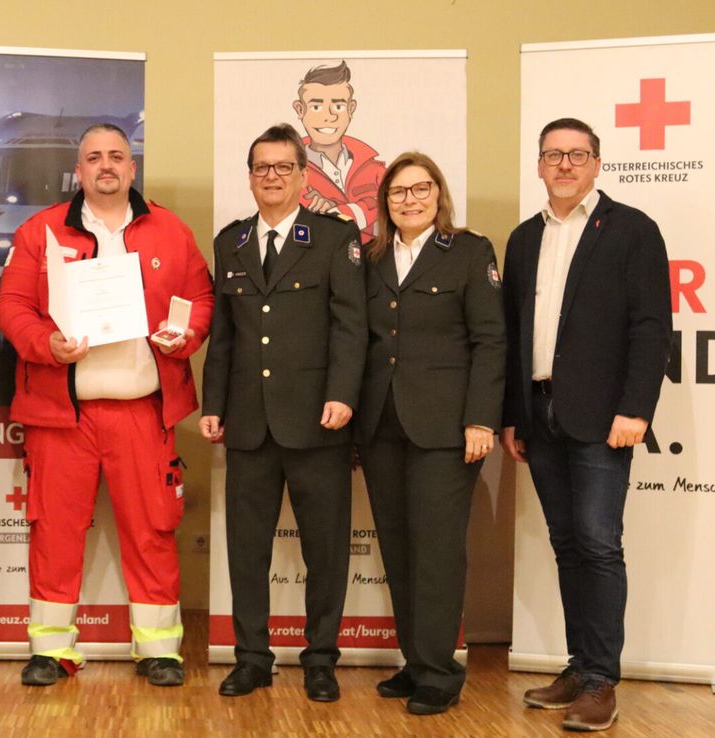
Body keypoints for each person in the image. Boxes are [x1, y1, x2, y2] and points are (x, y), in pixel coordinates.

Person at [0, 123, 213, 688]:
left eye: (117, 156)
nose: (106, 165)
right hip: (62, 415)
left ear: (133, 167)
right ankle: (52, 650)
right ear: (80, 169)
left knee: (152, 532)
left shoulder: (170, 230)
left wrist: (182, 337)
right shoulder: (40, 231)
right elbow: (12, 306)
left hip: (142, 412)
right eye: (94, 157)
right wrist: (48, 345)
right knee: (55, 534)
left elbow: (201, 298)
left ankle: (159, 651)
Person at [503, 118, 671, 732]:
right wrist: (514, 416)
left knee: (599, 545)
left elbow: (651, 329)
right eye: (554, 155)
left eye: (577, 154)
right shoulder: (524, 239)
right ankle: (580, 666)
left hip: (604, 419)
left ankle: (602, 681)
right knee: (568, 544)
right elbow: (515, 335)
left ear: (598, 163)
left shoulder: (632, 231)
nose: (565, 164)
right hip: (540, 414)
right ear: (540, 165)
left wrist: (636, 410)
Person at [200, 123, 366, 702]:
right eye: (261, 168)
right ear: (250, 177)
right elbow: (223, 333)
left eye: (282, 167)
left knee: (325, 547)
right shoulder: (231, 243)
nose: (271, 177)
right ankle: (252, 658)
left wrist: (344, 394)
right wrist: (212, 403)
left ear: (302, 175)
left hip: (318, 420)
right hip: (247, 421)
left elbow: (352, 326)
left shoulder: (332, 237)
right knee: (247, 549)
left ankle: (320, 658)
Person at [356, 152, 505, 715]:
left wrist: (481, 418)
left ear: (439, 195)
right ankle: (415, 662)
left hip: (447, 428)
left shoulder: (469, 252)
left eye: (421, 189)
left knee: (437, 552)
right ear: (385, 202)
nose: (409, 200)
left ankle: (441, 671)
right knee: (398, 548)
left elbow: (490, 341)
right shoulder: (369, 258)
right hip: (380, 425)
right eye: (398, 192)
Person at [291, 61, 386, 243]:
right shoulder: (289, 172)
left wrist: (338, 211)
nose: (329, 116)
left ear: (351, 109)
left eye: (339, 106)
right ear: (300, 109)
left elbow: (395, 214)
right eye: (316, 107)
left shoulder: (374, 169)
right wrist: (368, 210)